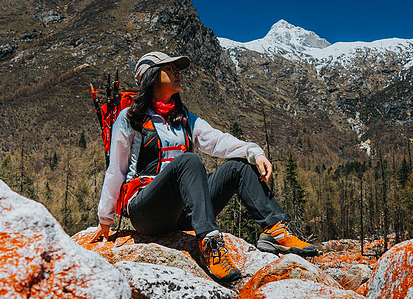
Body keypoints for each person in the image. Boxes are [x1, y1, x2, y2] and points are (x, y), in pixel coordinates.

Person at [93, 51, 317, 284]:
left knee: (239, 166)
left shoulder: (184, 117)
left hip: (183, 213)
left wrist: (254, 152)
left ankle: (275, 230)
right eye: (169, 69)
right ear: (151, 76)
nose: (177, 73)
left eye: (177, 69)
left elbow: (219, 141)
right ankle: (210, 244)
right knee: (189, 161)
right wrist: (104, 220)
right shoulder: (130, 118)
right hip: (147, 212)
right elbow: (116, 170)